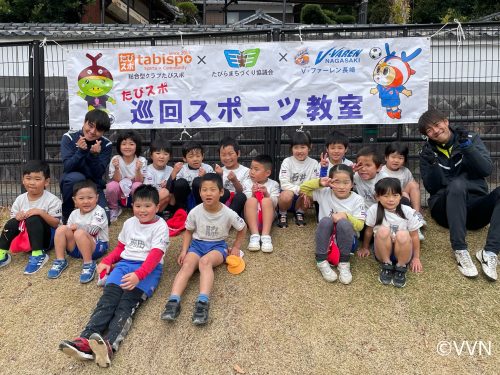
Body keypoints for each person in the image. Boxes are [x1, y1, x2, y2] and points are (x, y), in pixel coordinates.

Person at [58, 185, 169, 367]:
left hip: (147, 270)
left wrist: (138, 276)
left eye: (148, 206)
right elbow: (121, 248)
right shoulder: (129, 223)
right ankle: (85, 341)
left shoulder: (160, 226)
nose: (142, 210)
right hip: (124, 266)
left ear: (157, 207)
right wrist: (108, 261)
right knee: (107, 301)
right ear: (132, 206)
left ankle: (109, 344)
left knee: (125, 305)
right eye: (138, 206)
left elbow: (155, 255)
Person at [418, 108, 500, 281]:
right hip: (445, 210)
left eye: (436, 124)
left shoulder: (470, 139)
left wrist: (467, 148)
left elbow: (486, 169)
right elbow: (432, 187)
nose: (435, 131)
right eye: (429, 130)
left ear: (446, 121)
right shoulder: (427, 152)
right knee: (457, 184)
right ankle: (460, 249)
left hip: (474, 209)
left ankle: (490, 252)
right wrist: (432, 164)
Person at [161, 173, 246, 325]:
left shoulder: (228, 212)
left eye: (212, 189)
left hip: (218, 246)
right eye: (204, 190)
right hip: (197, 245)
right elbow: (188, 231)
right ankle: (173, 301)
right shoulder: (195, 211)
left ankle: (203, 303)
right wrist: (183, 250)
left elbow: (242, 227)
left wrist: (236, 247)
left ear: (221, 192)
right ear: (199, 192)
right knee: (187, 265)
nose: (208, 193)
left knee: (205, 263)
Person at [300, 164, 365, 284]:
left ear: (352, 184)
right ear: (330, 183)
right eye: (336, 182)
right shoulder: (324, 192)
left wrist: (346, 216)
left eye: (346, 182)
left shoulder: (357, 199)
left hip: (348, 241)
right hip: (326, 240)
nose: (341, 187)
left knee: (344, 223)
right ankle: (321, 261)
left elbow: (360, 226)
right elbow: (302, 189)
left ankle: (344, 263)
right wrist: (320, 182)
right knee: (325, 221)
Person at [358, 177, 424, 288]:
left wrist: (416, 258)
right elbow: (369, 231)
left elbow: (414, 236)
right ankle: (386, 265)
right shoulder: (374, 210)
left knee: (402, 234)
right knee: (383, 230)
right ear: (377, 197)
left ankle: (401, 267)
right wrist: (365, 247)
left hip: (403, 251)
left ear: (400, 196)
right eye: (386, 196)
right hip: (382, 251)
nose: (391, 199)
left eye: (395, 195)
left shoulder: (408, 211)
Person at [0, 160, 62, 274]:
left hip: (46, 240)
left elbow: (55, 224)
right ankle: (1, 254)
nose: (32, 182)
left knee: (34, 219)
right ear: (23, 180)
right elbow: (13, 221)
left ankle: (38, 254)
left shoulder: (53, 200)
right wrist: (18, 217)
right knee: (11, 223)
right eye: (28, 178)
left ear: (46, 182)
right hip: (25, 237)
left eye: (37, 179)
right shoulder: (20, 199)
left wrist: (40, 212)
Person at [47, 180, 109, 283]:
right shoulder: (74, 213)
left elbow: (94, 230)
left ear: (97, 198)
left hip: (96, 248)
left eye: (90, 198)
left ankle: (89, 263)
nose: (86, 201)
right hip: (77, 249)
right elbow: (68, 230)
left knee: (79, 232)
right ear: (75, 200)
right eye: (81, 198)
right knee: (61, 229)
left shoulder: (99, 211)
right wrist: (68, 229)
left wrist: (79, 227)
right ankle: (60, 260)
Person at [60, 109, 112, 224]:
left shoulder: (106, 144)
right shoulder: (69, 137)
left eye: (98, 129)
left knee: (104, 220)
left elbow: (98, 174)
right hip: (73, 180)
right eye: (90, 125)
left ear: (103, 132)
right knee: (75, 178)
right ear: (84, 122)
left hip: (93, 184)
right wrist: (81, 152)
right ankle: (67, 215)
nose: (92, 131)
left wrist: (94, 156)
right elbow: (68, 167)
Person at [381, 141, 425, 240]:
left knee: (413, 184)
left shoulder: (405, 171)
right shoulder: (381, 172)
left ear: (404, 160)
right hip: (389, 201)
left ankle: (416, 216)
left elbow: (411, 189)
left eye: (400, 158)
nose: (396, 160)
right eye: (393, 157)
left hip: (404, 200)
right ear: (386, 157)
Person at [277, 131, 319, 228]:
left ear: (309, 147)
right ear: (291, 148)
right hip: (289, 196)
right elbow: (283, 183)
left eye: (303, 147)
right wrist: (299, 190)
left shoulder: (314, 163)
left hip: (303, 197)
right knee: (286, 195)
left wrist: (305, 192)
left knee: (312, 194)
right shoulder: (287, 161)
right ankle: (282, 213)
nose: (299, 151)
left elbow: (314, 182)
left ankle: (300, 213)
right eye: (296, 147)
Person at [106, 130, 147, 222]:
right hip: (120, 193)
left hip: (133, 193)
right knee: (111, 186)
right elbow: (116, 180)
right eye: (124, 144)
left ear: (137, 146)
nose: (127, 147)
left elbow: (140, 181)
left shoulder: (141, 160)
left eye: (131, 144)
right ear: (119, 146)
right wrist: (116, 168)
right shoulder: (116, 159)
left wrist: (137, 169)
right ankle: (114, 208)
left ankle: (136, 208)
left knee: (137, 185)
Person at [243, 154, 280, 253]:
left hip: (267, 218)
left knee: (267, 200)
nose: (252, 172)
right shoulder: (247, 183)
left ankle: (265, 236)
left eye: (256, 169)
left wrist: (266, 193)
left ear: (267, 173)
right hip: (252, 217)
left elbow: (275, 203)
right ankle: (254, 235)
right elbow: (246, 202)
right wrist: (252, 193)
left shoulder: (274, 184)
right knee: (251, 200)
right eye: (251, 168)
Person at [170, 141, 214, 211]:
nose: (195, 159)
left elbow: (214, 185)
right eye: (191, 156)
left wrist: (205, 177)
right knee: (180, 183)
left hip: (200, 199)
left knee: (198, 181)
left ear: (203, 156)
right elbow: (175, 187)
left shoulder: (208, 168)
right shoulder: (181, 169)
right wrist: (174, 172)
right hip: (186, 198)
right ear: (184, 159)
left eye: (198, 156)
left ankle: (200, 210)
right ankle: (181, 211)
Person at [214, 136, 249, 217]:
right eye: (223, 155)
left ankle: (228, 218)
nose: (227, 158)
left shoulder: (246, 171)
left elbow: (242, 191)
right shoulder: (218, 170)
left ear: (238, 153)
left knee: (240, 197)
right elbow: (215, 191)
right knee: (224, 193)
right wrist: (219, 175)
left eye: (231, 154)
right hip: (222, 201)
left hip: (237, 203)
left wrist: (234, 180)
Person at [353, 146, 388, 212]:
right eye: (360, 165)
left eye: (368, 165)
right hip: (362, 212)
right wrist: (350, 172)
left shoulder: (384, 179)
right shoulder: (356, 176)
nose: (363, 169)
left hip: (380, 212)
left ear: (379, 168)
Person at [144, 138, 173, 214]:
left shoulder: (171, 170)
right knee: (164, 192)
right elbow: (148, 192)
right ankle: (149, 211)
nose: (161, 156)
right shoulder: (146, 170)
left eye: (165, 154)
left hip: (164, 202)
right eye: (158, 153)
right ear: (151, 155)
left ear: (169, 157)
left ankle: (157, 214)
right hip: (149, 199)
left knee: (169, 195)